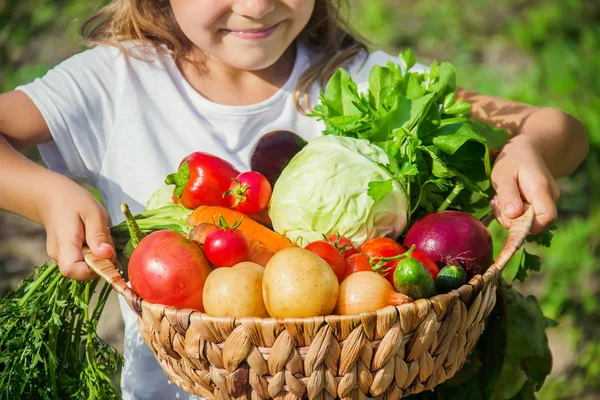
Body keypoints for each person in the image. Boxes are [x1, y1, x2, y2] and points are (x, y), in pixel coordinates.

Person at [0, 0, 589, 399]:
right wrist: (45, 193)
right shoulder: (113, 84)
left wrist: (523, 150)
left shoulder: (361, 82)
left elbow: (559, 126)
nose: (256, 6)